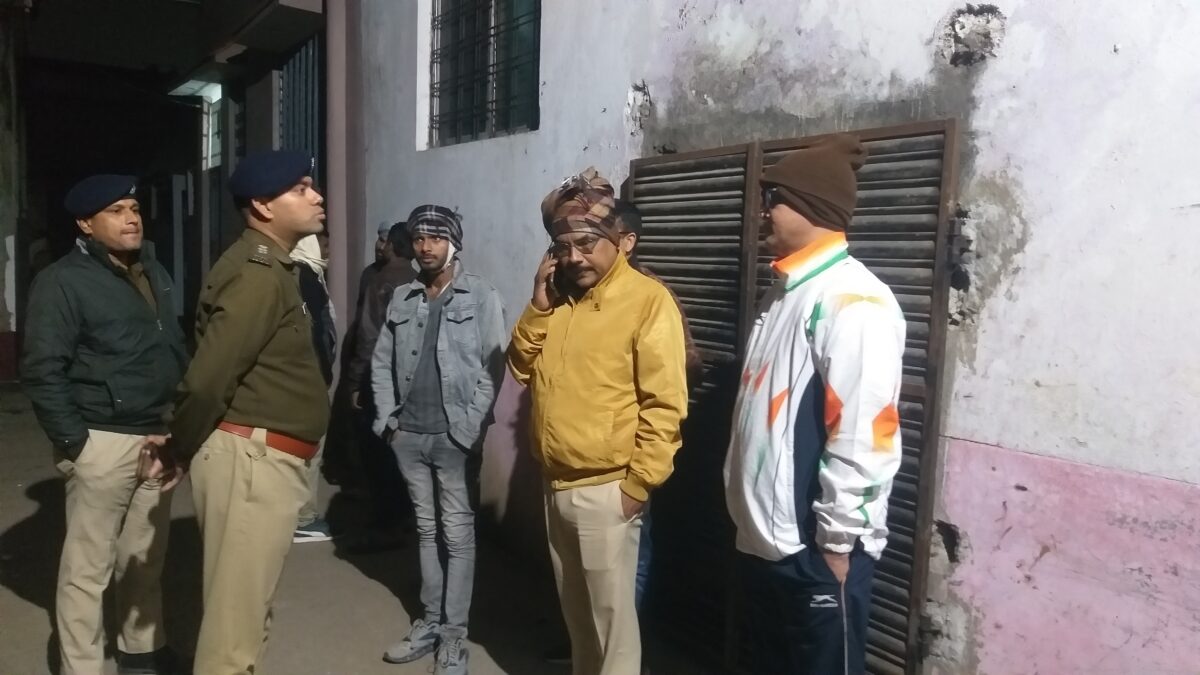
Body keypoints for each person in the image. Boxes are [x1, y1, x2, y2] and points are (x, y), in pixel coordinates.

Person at [723, 135, 905, 675]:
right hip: (768, 544)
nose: (762, 211)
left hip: (816, 552)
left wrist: (838, 544)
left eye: (773, 198)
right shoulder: (785, 291)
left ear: (811, 205)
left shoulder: (854, 301)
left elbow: (865, 434)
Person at [151, 150, 331, 675]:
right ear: (262, 205)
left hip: (264, 460)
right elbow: (209, 378)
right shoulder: (257, 274)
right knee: (233, 638)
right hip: (251, 462)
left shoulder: (275, 267)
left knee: (247, 621)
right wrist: (179, 446)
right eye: (301, 188)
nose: (317, 196)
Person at [508, 168, 689, 675]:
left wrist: (637, 485)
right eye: (563, 248)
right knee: (580, 624)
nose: (574, 258)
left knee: (613, 632)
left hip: (608, 491)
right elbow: (519, 369)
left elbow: (665, 404)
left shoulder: (647, 302)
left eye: (587, 244)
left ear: (622, 242)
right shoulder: (557, 300)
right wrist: (537, 307)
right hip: (556, 486)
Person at [21, 174, 187, 675]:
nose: (131, 218)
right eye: (115, 211)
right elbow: (42, 368)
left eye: (133, 208)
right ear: (85, 224)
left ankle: (141, 653)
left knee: (144, 558)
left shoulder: (153, 270)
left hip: (157, 435)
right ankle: (83, 667)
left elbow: (173, 344)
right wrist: (76, 443)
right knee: (86, 572)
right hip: (102, 440)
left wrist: (178, 421)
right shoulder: (63, 281)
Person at [372, 205, 506, 675]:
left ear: (454, 243)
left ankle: (453, 637)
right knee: (426, 530)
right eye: (418, 238)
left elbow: (493, 369)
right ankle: (430, 622)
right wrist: (388, 422)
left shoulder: (481, 296)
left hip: (454, 440)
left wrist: (466, 431)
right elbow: (381, 362)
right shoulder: (403, 296)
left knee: (458, 535)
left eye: (435, 238)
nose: (425, 247)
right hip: (408, 435)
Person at [341, 221, 418, 552]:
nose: (380, 246)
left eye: (385, 241)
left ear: (394, 246)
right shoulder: (419, 281)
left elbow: (369, 335)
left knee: (377, 453)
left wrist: (355, 381)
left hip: (380, 379)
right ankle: (405, 518)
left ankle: (387, 524)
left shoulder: (381, 281)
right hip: (409, 382)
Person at [291, 229, 338, 543]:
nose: (328, 250)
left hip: (307, 378)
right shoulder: (304, 277)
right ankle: (303, 519)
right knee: (309, 450)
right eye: (324, 243)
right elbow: (314, 333)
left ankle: (297, 515)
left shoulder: (309, 274)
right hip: (308, 380)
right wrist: (321, 374)